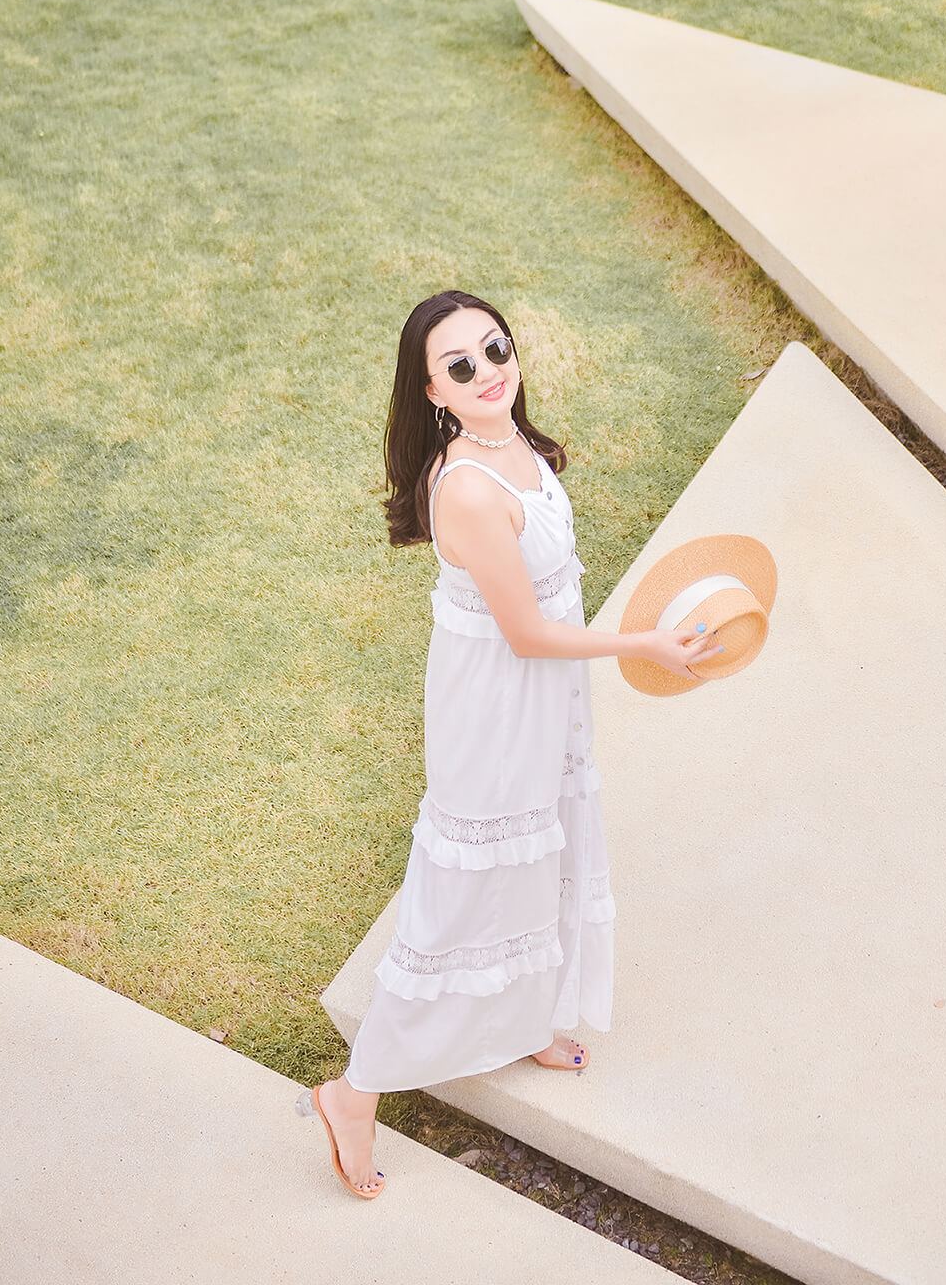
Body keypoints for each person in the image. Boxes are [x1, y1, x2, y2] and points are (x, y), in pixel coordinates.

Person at [306, 290, 723, 1198]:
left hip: (544, 699)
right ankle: (355, 1091)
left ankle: (526, 1014)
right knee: (464, 888)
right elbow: (527, 634)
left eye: (496, 348)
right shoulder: (465, 490)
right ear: (432, 392)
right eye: (461, 365)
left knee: (550, 845)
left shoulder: (520, 446)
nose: (489, 370)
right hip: (496, 707)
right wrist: (641, 646)